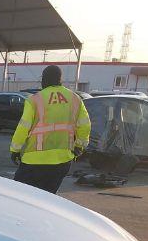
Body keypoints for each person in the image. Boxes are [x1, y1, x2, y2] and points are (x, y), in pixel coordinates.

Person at [9, 65, 90, 193]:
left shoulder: (34, 100)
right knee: (48, 198)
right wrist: (79, 146)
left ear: (44, 80)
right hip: (63, 161)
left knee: (21, 196)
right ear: (60, 79)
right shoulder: (75, 99)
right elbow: (85, 125)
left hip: (34, 162)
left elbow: (23, 128)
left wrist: (15, 150)